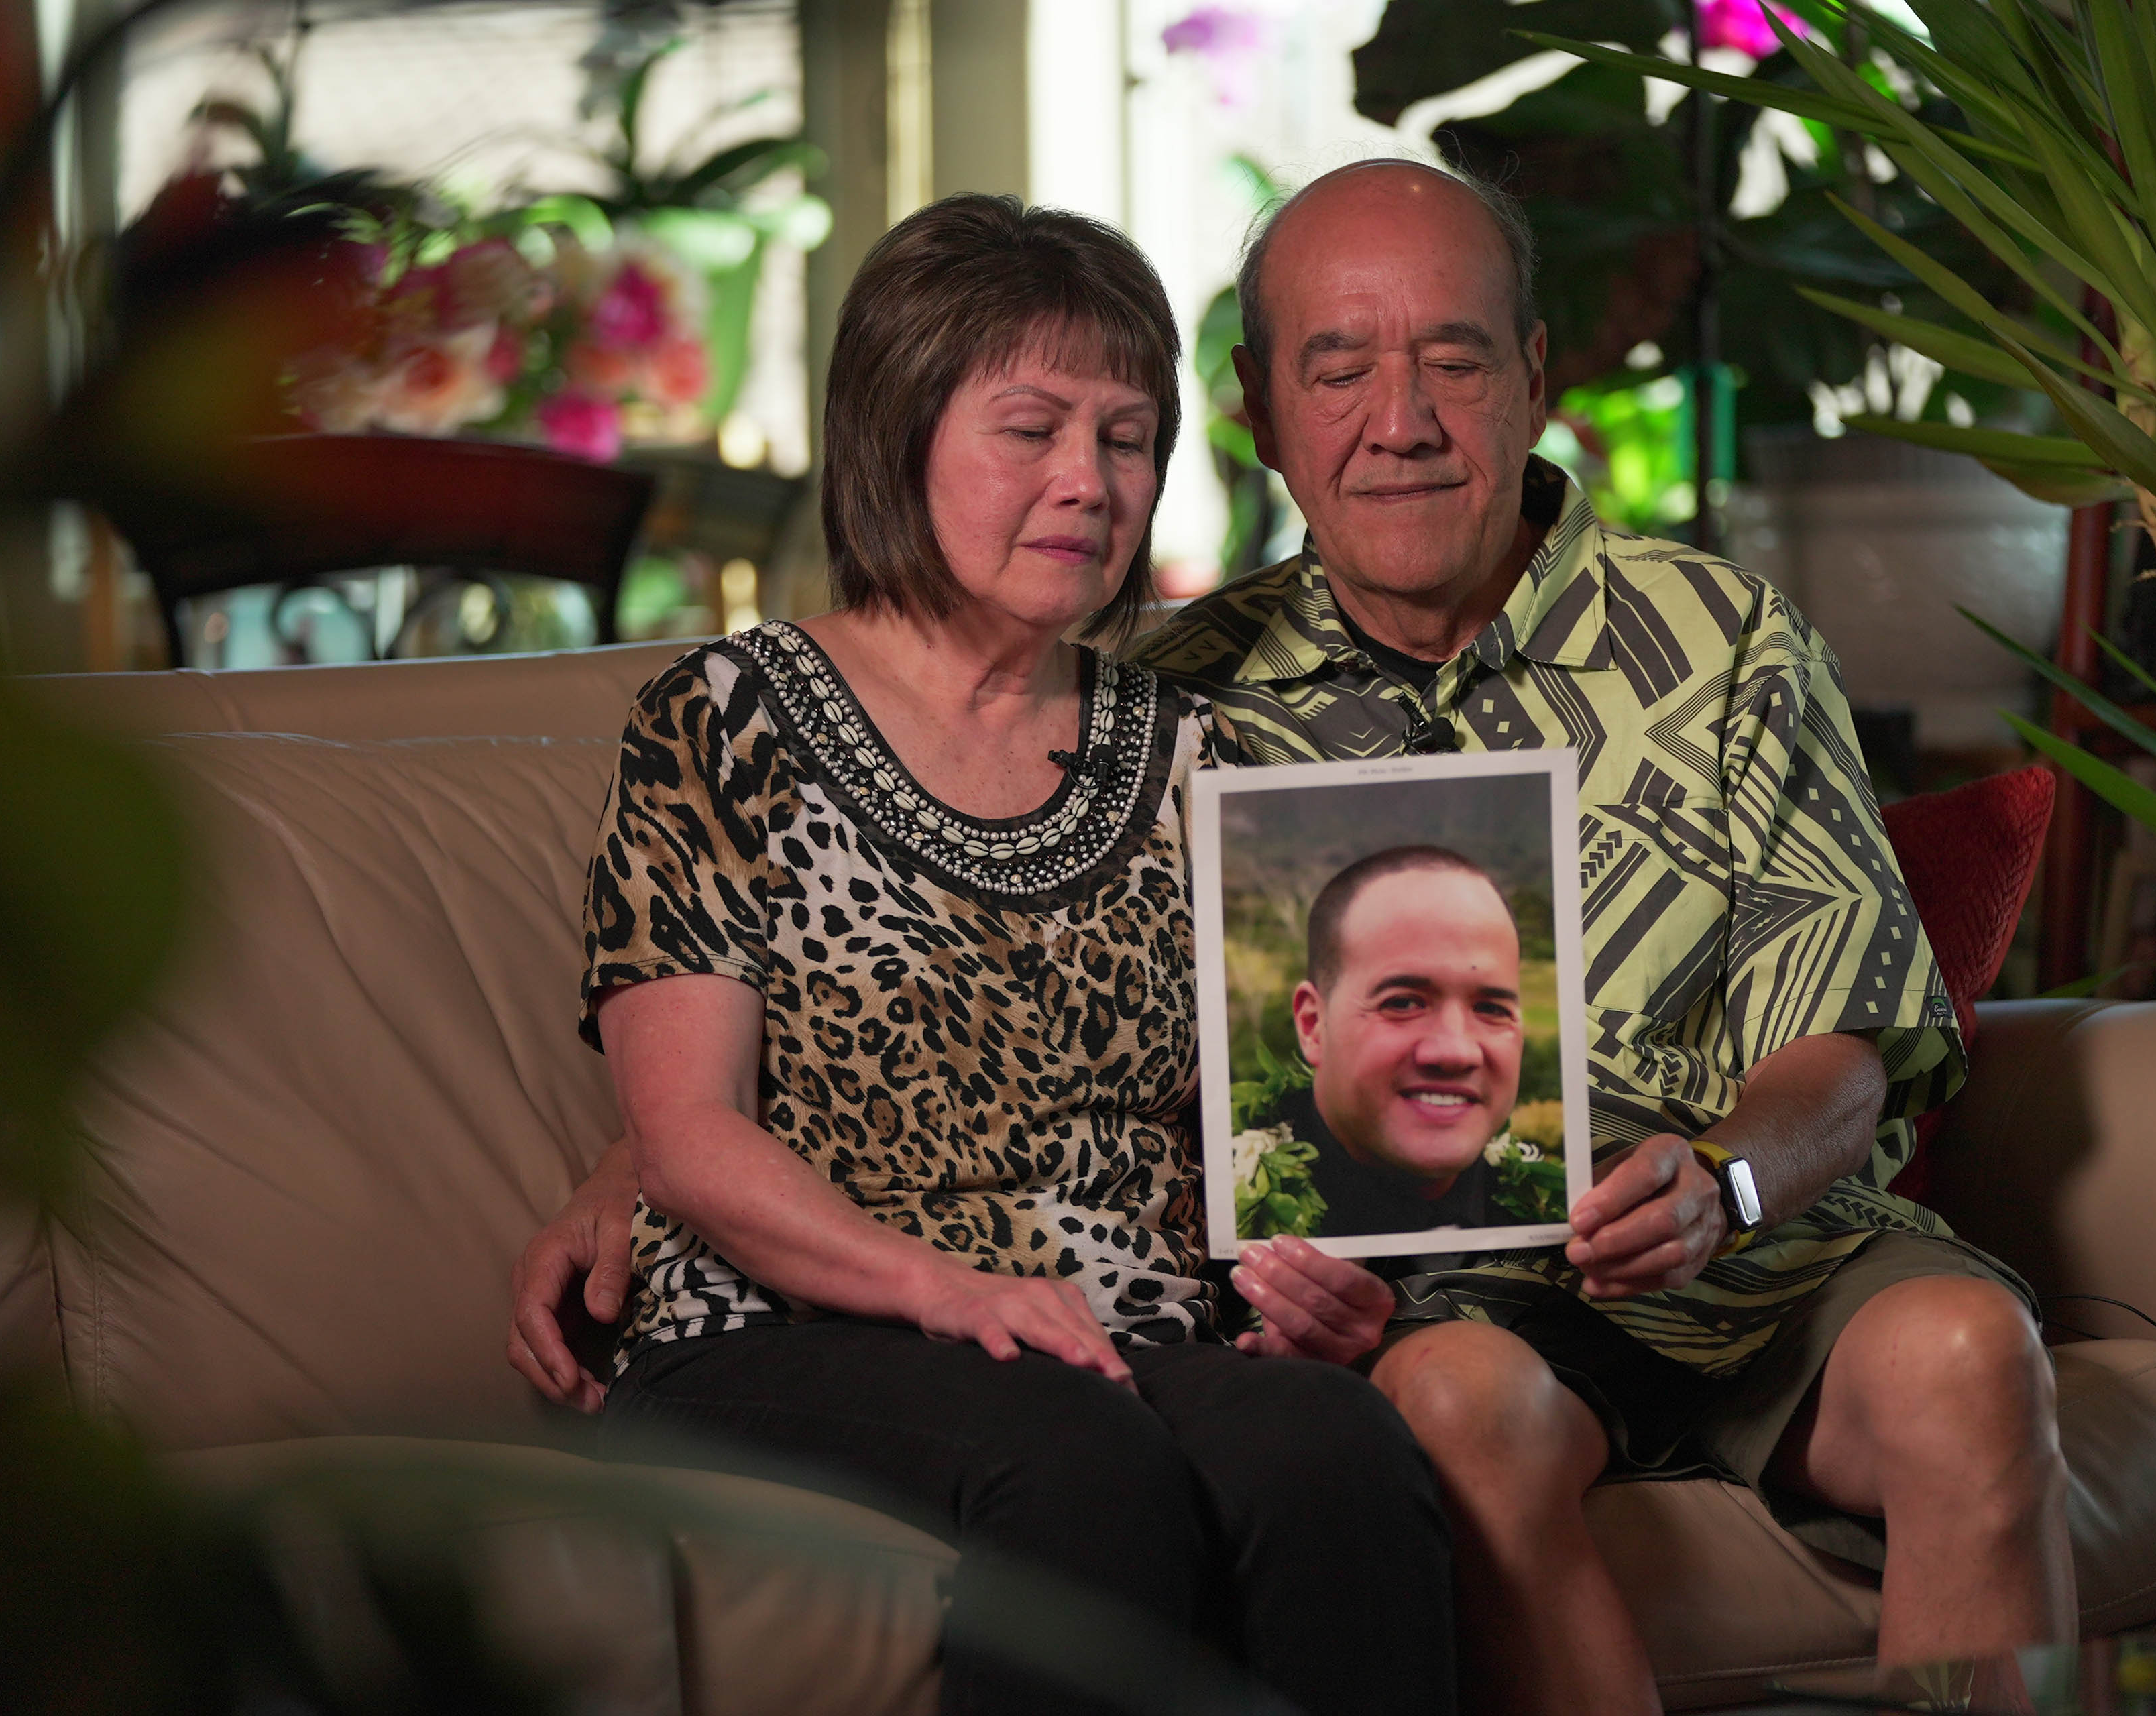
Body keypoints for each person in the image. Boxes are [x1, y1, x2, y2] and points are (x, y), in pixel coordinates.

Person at [516, 162, 2072, 1715]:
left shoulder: (1699, 643)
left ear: (1534, 377)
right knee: (1387, 1415)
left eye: (1453, 360)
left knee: (1956, 1356)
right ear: (1262, 411)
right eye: (1339, 371)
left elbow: (1845, 1035)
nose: (1401, 422)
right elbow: (843, 992)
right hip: (1465, 1311)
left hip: (1744, 1257)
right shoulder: (1188, 688)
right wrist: (641, 1155)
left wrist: (1724, 1179)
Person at [568, 192, 1453, 1716]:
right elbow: (686, 1137)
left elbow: (1265, 1137)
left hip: (1113, 1325)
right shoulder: (721, 719)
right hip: (786, 1331)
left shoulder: (1201, 754)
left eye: (1126, 438)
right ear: (897, 433)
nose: (1087, 481)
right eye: (1031, 429)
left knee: (1335, 1445)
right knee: (1077, 1456)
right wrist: (951, 1288)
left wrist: (1322, 1279)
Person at [1283, 845, 1526, 1237]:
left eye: (1491, 1008)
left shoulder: (1568, 1214)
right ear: (1313, 1025)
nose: (1456, 1051)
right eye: (1403, 1003)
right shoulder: (1201, 1212)